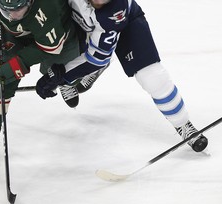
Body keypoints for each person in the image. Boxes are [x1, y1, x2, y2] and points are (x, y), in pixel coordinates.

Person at [35, 0, 208, 152]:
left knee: (152, 77)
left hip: (123, 24)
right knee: (58, 46)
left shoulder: (115, 10)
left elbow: (97, 58)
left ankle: (183, 124)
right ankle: (74, 77)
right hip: (76, 24)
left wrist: (62, 77)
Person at [0, 0, 82, 160]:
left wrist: (17, 65)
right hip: (14, 34)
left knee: (66, 66)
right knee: (0, 78)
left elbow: (51, 47)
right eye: (7, 10)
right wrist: (8, 68)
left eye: (17, 9)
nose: (12, 15)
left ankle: (65, 82)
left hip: (57, 31)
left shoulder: (49, 7)